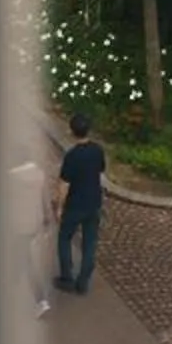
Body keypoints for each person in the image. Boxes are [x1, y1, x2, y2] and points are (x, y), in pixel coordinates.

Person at [55, 109, 106, 292]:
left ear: (71, 131)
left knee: (64, 238)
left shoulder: (72, 156)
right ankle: (83, 281)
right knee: (90, 242)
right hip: (93, 203)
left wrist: (59, 207)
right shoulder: (98, 150)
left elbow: (64, 185)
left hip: (75, 205)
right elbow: (100, 173)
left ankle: (66, 277)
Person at [10, 154, 53, 318]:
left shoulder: (10, 179)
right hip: (33, 224)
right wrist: (47, 220)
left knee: (25, 262)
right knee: (20, 258)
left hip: (17, 227)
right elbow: (46, 199)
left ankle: (41, 300)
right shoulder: (39, 174)